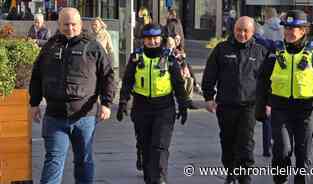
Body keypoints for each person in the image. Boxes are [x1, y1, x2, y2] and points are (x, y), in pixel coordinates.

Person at [29, 7, 116, 184]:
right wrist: (34, 103)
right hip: (55, 116)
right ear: (59, 24)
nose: (70, 28)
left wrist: (106, 103)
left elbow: (108, 75)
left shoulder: (93, 46)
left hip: (84, 117)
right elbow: (37, 75)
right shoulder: (50, 47)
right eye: (66, 24)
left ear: (81, 24)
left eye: (74, 24)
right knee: (53, 160)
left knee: (83, 161)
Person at [256, 10, 313, 184]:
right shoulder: (275, 52)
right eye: (286, 28)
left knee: (303, 155)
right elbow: (263, 81)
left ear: (303, 31)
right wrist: (260, 109)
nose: (288, 32)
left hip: (305, 111)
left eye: (292, 28)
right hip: (280, 109)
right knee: (282, 151)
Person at [116, 23, 193, 184]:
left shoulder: (169, 58)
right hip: (141, 107)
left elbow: (178, 84)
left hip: (164, 108)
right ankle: (149, 177)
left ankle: (159, 179)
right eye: (148, 39)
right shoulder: (136, 58)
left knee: (159, 146)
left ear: (161, 39)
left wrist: (184, 105)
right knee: (145, 146)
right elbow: (128, 81)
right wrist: (123, 101)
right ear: (143, 40)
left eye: (155, 39)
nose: (152, 42)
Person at [201, 16, 269, 184]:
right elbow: (210, 74)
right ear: (233, 29)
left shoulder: (260, 52)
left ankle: (245, 177)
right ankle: (231, 172)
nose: (242, 34)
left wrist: (268, 102)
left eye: (246, 31)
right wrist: (209, 97)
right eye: (239, 30)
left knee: (246, 142)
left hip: (249, 106)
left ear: (252, 32)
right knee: (228, 141)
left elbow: (269, 80)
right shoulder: (221, 49)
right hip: (225, 105)